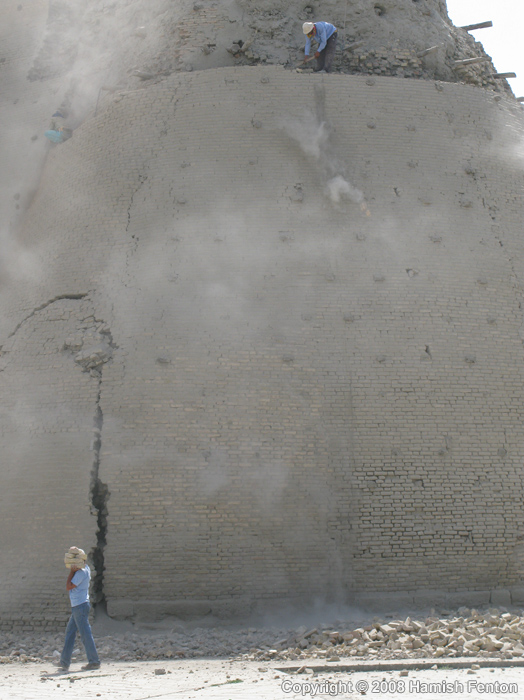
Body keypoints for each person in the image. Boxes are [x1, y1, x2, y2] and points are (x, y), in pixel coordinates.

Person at [56, 547, 101, 672]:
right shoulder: (85, 569)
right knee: (70, 633)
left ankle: (94, 661)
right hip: (79, 606)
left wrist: (71, 572)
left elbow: (68, 586)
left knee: (85, 634)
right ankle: (64, 662)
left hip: (79, 606)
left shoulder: (80, 573)